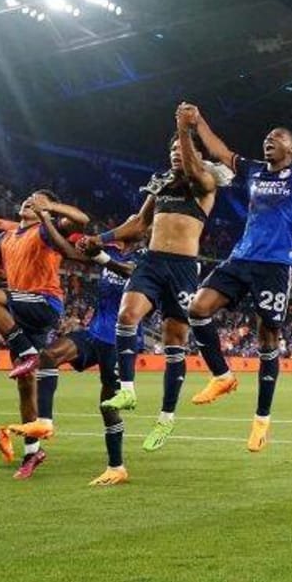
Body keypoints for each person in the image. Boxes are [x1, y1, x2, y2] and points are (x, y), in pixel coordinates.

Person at [176, 94, 292, 451]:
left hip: (276, 265)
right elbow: (218, 150)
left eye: (278, 137)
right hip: (241, 257)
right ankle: (222, 375)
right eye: (268, 136)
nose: (270, 139)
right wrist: (197, 121)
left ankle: (261, 421)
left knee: (267, 339)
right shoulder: (251, 170)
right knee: (198, 309)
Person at [93, 111, 226, 454]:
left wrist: (184, 129)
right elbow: (138, 224)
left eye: (181, 150)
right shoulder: (161, 182)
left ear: (195, 154)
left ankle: (166, 418)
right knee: (127, 316)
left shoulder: (206, 182)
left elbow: (196, 169)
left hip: (183, 267)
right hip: (151, 261)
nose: (175, 154)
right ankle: (128, 388)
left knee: (175, 341)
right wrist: (101, 238)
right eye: (172, 151)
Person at [0, 190, 90, 478]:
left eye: (37, 198)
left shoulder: (47, 228)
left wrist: (51, 208)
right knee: (25, 383)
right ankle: (33, 453)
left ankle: (30, 354)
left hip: (44, 303)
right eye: (28, 197)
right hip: (21, 314)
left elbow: (82, 220)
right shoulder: (5, 237)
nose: (30, 199)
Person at [20, 236, 137, 485]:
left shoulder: (149, 258)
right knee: (49, 355)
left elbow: (131, 272)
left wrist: (99, 256)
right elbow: (68, 251)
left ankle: (116, 467)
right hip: (93, 333)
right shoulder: (111, 250)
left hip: (120, 341)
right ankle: (44, 422)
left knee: (108, 406)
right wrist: (50, 224)